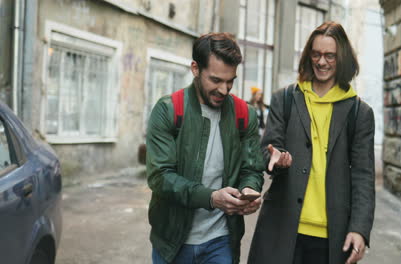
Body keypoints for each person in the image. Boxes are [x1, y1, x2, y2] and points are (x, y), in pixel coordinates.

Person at [248, 21, 375, 264]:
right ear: (309, 55)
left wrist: (359, 229)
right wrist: (275, 158)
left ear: (342, 58)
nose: (321, 62)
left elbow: (363, 176)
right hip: (282, 227)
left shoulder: (359, 113)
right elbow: (267, 150)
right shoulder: (284, 99)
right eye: (316, 54)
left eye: (330, 55)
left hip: (331, 236)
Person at [146, 33, 265, 264]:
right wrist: (211, 198)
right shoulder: (168, 110)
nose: (224, 89)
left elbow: (252, 169)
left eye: (230, 80)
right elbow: (160, 177)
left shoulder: (244, 114)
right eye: (216, 80)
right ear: (195, 69)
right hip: (172, 242)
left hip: (221, 242)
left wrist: (249, 190)